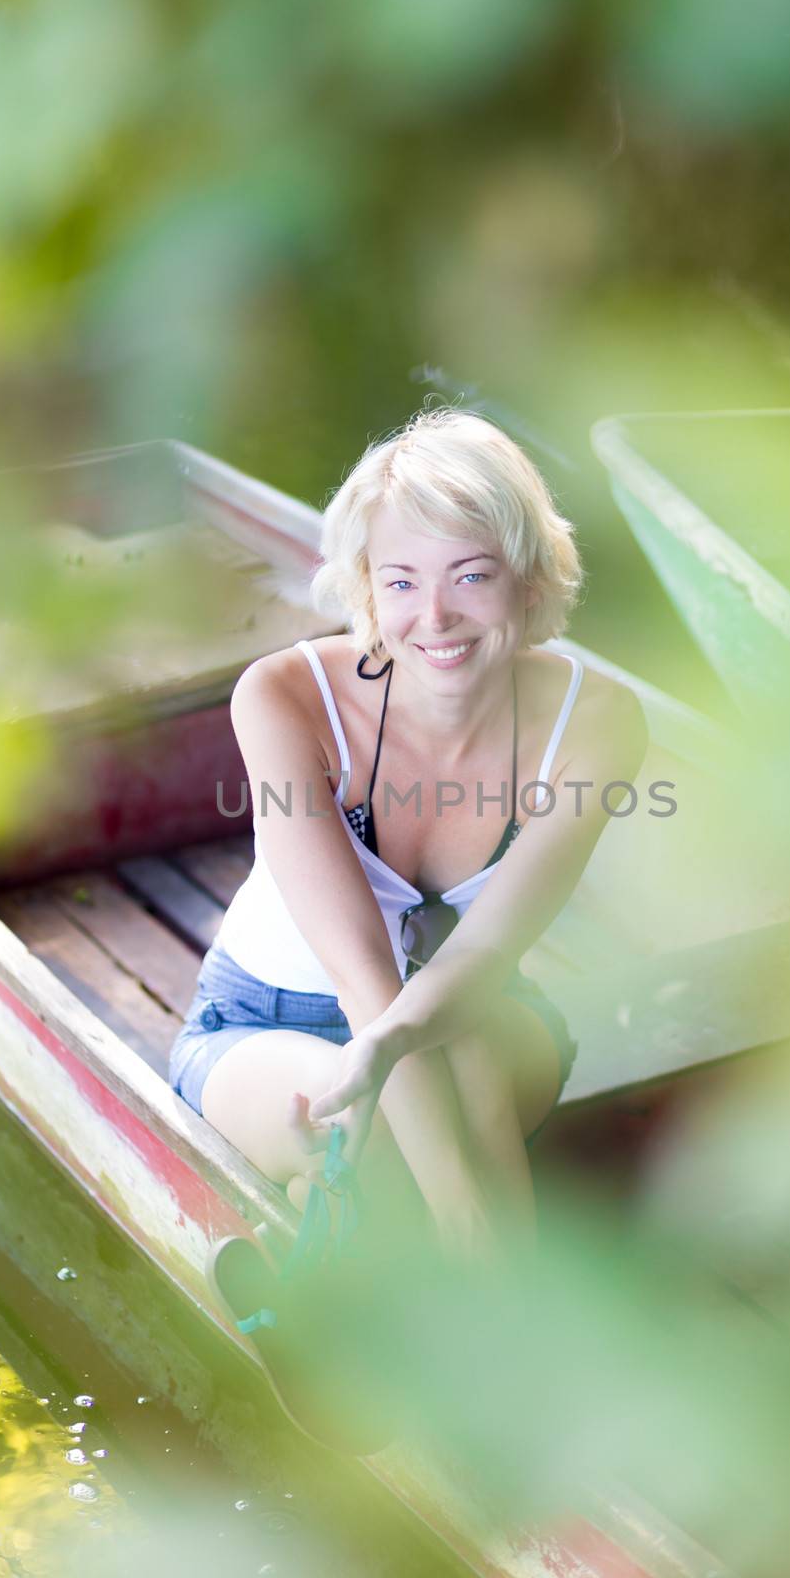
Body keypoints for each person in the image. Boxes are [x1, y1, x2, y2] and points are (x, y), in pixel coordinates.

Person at [169, 408, 648, 1262]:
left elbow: (482, 958)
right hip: (261, 1026)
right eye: (399, 582)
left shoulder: (596, 721)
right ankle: (501, 1310)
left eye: (470, 576)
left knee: (452, 1067)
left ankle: (363, 1305)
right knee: (362, 1126)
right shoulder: (283, 697)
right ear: (364, 589)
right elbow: (364, 978)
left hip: (477, 1012)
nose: (434, 616)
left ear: (530, 579)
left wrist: (393, 1051)